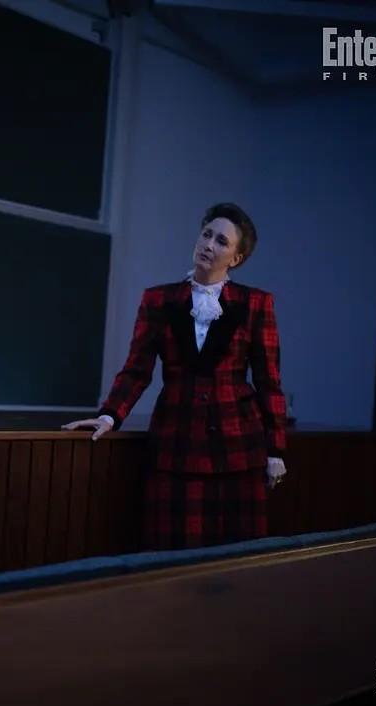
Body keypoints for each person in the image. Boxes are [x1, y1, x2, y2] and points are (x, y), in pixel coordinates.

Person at [63, 203, 287, 550]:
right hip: (176, 445)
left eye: (221, 241)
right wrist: (109, 416)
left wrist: (275, 450)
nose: (208, 244)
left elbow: (269, 382)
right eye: (206, 234)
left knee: (237, 558)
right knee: (172, 556)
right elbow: (137, 369)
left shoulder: (256, 304)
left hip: (238, 448)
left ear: (236, 258)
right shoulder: (159, 300)